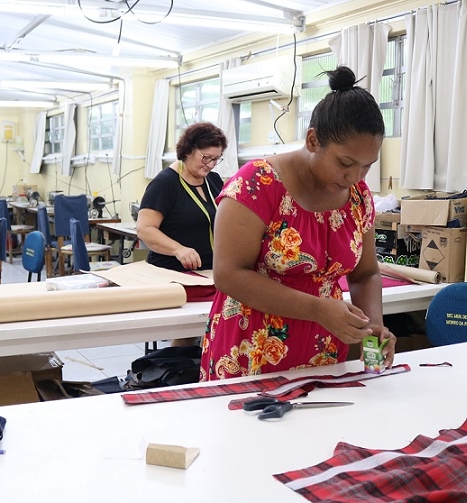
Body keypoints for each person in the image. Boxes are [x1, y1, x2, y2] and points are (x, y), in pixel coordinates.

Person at [200, 66, 396, 381]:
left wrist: (373, 324)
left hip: (323, 354)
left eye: (366, 166)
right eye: (345, 163)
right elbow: (228, 274)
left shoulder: (358, 197)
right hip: (251, 351)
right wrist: (317, 308)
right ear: (313, 140)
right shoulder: (257, 185)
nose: (355, 177)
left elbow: (365, 273)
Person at [137, 122, 227, 272]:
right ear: (188, 151)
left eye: (216, 159)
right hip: (171, 272)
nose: (211, 165)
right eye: (206, 158)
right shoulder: (164, 184)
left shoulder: (214, 180)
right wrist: (178, 250)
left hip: (208, 271)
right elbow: (144, 229)